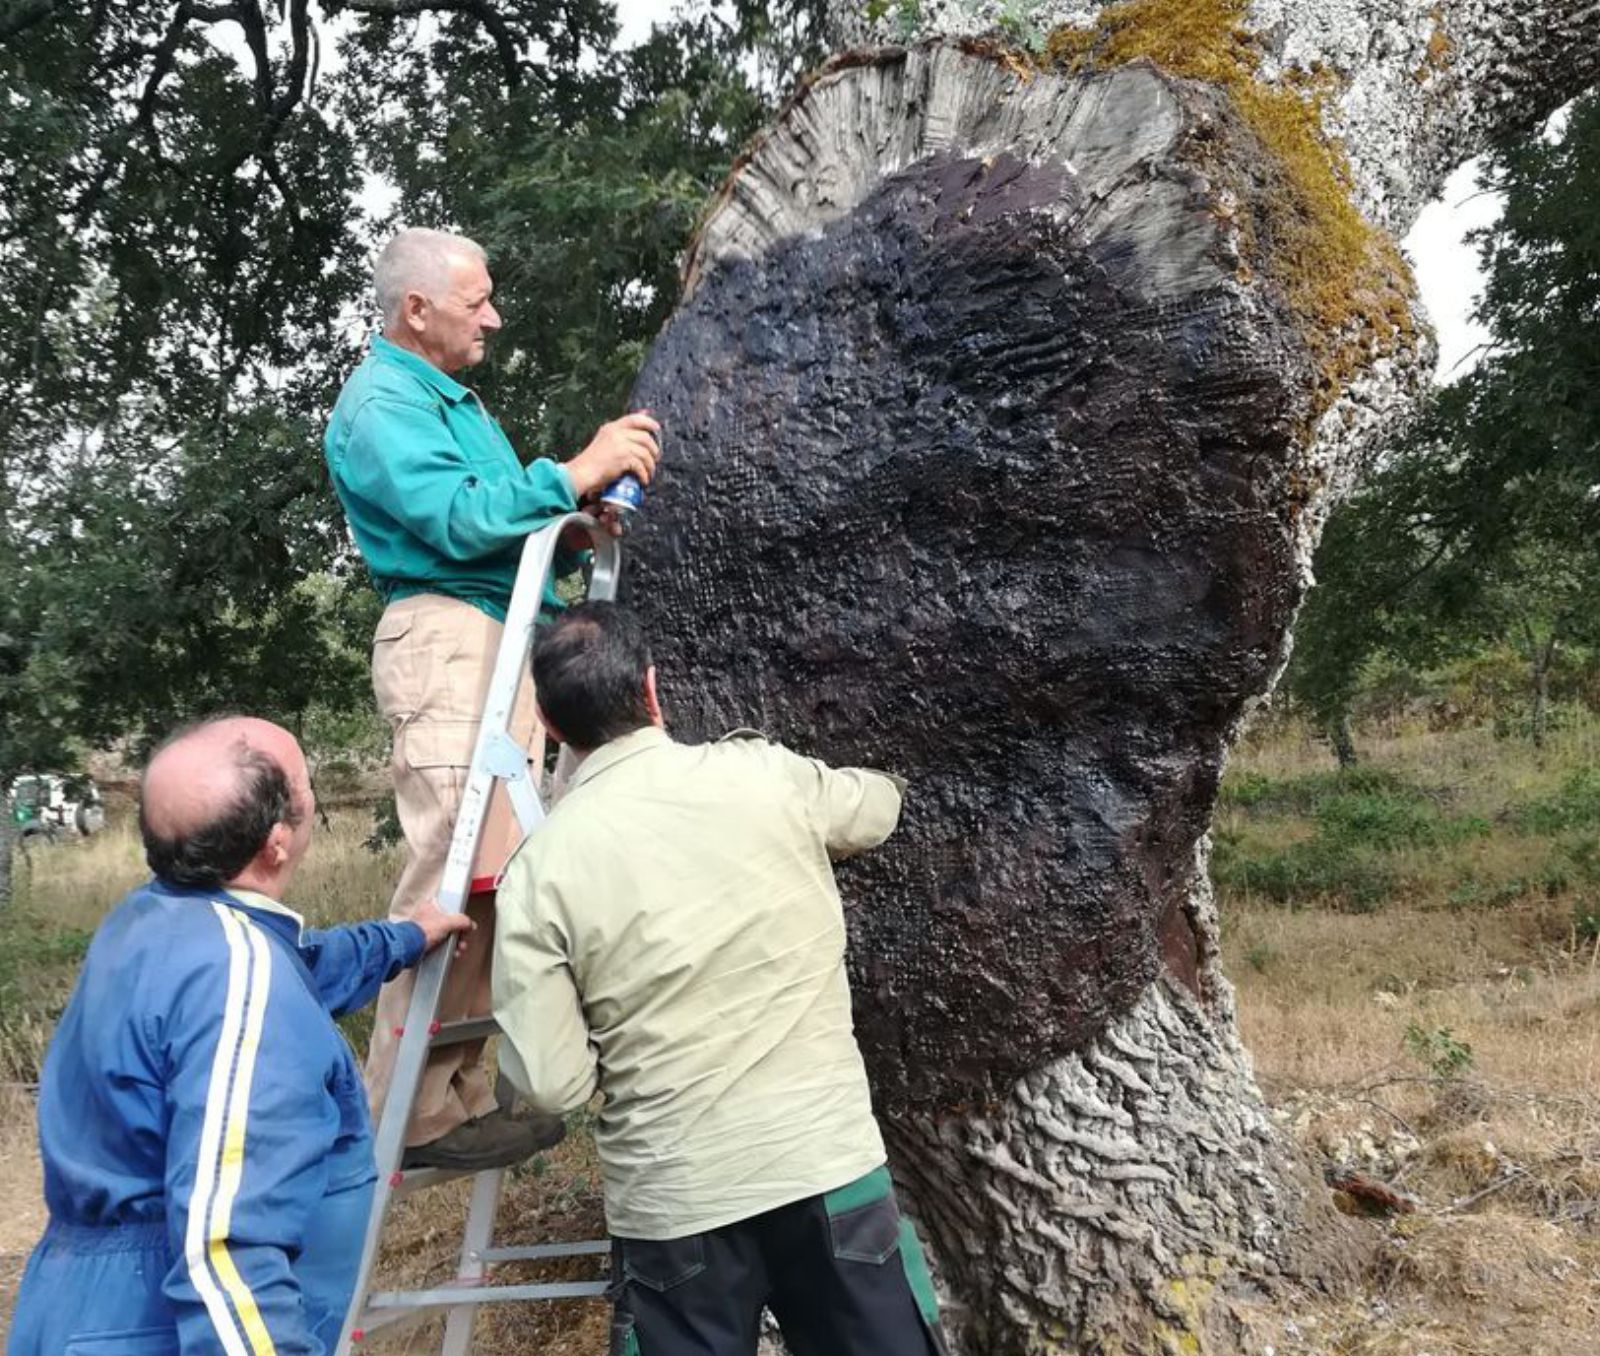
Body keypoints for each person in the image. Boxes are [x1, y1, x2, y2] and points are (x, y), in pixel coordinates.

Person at [492, 603, 949, 1356]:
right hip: (826, 1166)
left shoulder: (539, 871)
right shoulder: (766, 777)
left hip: (674, 1202)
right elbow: (878, 810)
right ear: (652, 687)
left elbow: (550, 1084)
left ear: (546, 721)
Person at [324, 226, 661, 1171]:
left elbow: (494, 525)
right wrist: (575, 470)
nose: (494, 317)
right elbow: (460, 518)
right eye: (477, 302)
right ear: (416, 308)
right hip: (449, 641)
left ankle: (456, 1098)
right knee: (449, 870)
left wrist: (570, 531)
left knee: (495, 881)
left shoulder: (448, 402)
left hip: (495, 634)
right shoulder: (384, 403)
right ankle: (405, 1111)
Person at [6, 716, 473, 1356]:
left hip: (83, 1303)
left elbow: (298, 972)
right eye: (308, 784)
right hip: (155, 1327)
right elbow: (226, 1253)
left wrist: (405, 938)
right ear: (278, 842)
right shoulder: (237, 975)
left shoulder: (153, 923)